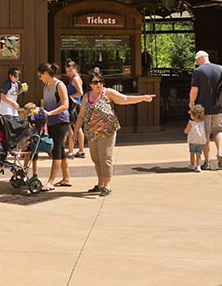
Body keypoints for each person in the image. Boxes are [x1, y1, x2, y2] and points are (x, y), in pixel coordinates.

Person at [75, 68, 156, 195]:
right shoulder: (86, 96)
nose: (99, 84)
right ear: (90, 84)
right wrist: (76, 130)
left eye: (100, 81)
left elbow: (125, 99)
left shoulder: (108, 93)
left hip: (107, 131)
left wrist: (142, 98)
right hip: (92, 132)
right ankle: (100, 183)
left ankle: (107, 185)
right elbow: (81, 115)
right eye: (95, 82)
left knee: (105, 158)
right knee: (96, 159)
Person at [189, 50, 222, 170]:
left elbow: (194, 90)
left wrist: (191, 102)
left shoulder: (198, 72)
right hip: (219, 106)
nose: (196, 63)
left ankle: (207, 162)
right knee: (218, 130)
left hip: (203, 108)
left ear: (200, 59)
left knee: (205, 135)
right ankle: (220, 152)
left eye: (196, 61)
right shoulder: (220, 69)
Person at [38, 62, 71, 190]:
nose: (39, 78)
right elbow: (45, 104)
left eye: (40, 75)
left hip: (61, 121)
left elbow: (65, 105)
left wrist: (50, 113)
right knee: (60, 150)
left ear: (46, 74)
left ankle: (51, 181)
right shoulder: (46, 86)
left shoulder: (60, 85)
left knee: (56, 150)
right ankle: (66, 178)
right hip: (51, 122)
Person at [64, 60, 86, 159]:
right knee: (78, 128)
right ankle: (81, 150)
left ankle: (70, 151)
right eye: (67, 71)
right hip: (78, 105)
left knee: (71, 128)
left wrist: (70, 97)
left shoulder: (75, 79)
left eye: (70, 71)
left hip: (74, 106)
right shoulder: (74, 78)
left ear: (75, 69)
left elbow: (80, 92)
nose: (68, 73)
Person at [184, 105, 208, 172]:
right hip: (201, 141)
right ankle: (198, 166)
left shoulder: (191, 123)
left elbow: (186, 131)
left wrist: (186, 131)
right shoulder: (202, 123)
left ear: (194, 115)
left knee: (192, 153)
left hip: (192, 141)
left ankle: (192, 165)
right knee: (198, 154)